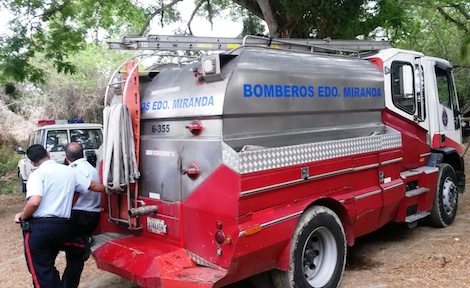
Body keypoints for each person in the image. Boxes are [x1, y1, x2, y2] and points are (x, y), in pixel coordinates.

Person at [14, 144, 105, 288]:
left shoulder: (37, 174)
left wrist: (22, 216)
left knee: (42, 271)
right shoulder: (70, 172)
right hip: (62, 226)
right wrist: (114, 189)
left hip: (40, 228)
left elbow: (35, 201)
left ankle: (80, 244)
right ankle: (80, 243)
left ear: (32, 162)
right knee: (49, 263)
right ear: (49, 154)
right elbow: (94, 186)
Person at [61, 142, 102, 288]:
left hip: (80, 215)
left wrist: (64, 211)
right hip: (93, 214)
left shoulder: (73, 171)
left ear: (67, 158)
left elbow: (75, 194)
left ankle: (84, 242)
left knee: (52, 235)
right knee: (74, 256)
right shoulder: (90, 168)